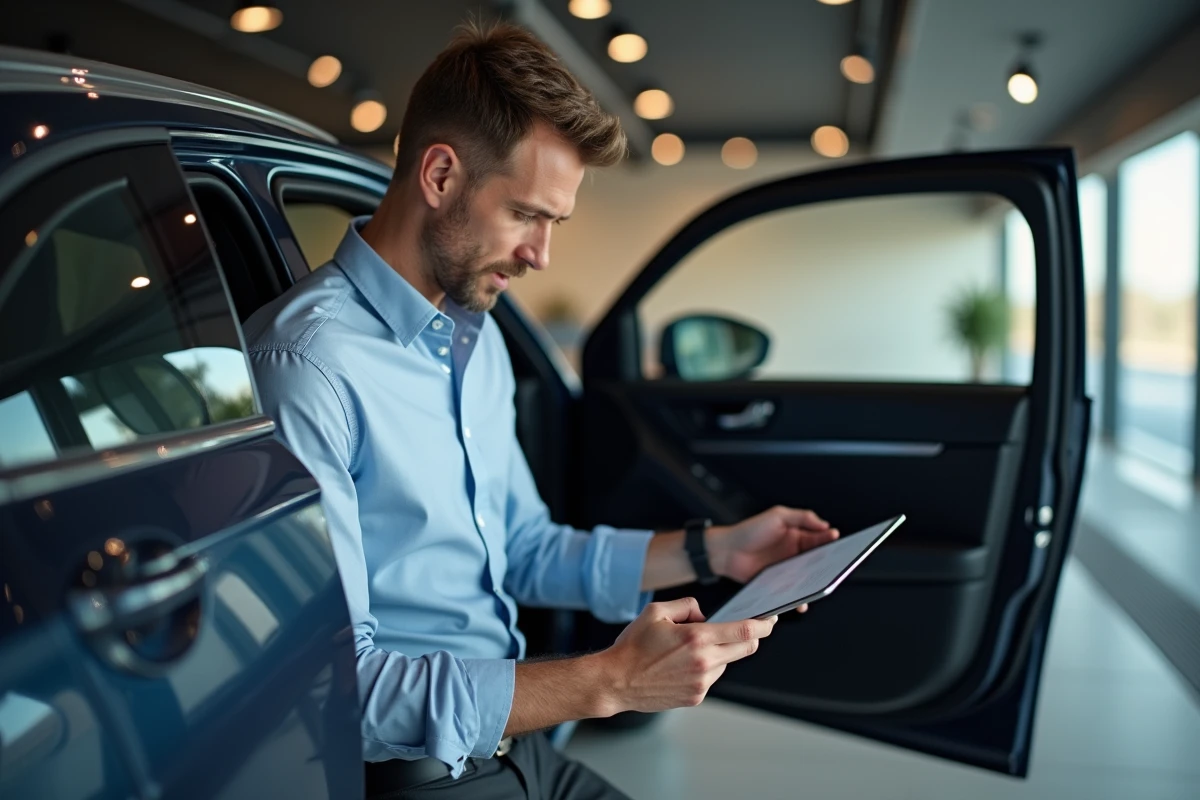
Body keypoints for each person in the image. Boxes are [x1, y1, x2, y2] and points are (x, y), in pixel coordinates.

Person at [245, 20, 839, 800]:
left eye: (554, 223)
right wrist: (609, 682)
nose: (541, 255)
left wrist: (717, 551)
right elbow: (341, 691)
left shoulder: (473, 340)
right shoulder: (310, 366)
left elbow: (524, 548)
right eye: (527, 214)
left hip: (513, 748)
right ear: (440, 175)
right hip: (411, 775)